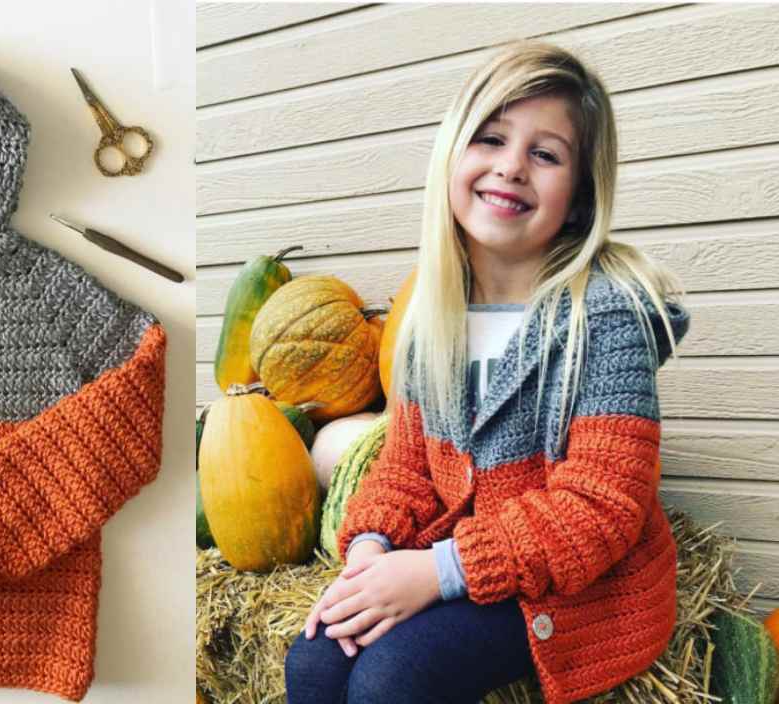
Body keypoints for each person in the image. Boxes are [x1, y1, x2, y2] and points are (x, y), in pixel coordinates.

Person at [284, 40, 690, 704]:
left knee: (394, 678)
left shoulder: (605, 316)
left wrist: (435, 572)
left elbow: (599, 511)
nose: (510, 168)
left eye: (544, 153)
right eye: (490, 139)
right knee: (314, 661)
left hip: (572, 584)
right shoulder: (433, 317)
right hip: (461, 563)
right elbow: (404, 467)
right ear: (452, 157)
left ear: (579, 192)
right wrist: (370, 552)